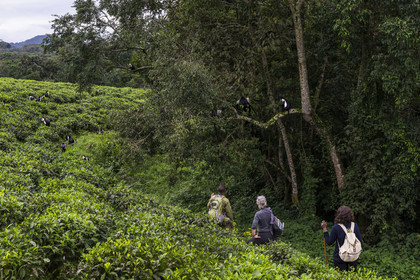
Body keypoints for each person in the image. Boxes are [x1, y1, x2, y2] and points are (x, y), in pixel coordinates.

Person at [321, 205, 363, 271]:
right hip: (353, 256)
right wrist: (358, 253)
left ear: (339, 215)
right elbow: (360, 242)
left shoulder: (336, 227)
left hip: (339, 257)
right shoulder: (355, 225)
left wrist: (324, 229)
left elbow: (329, 242)